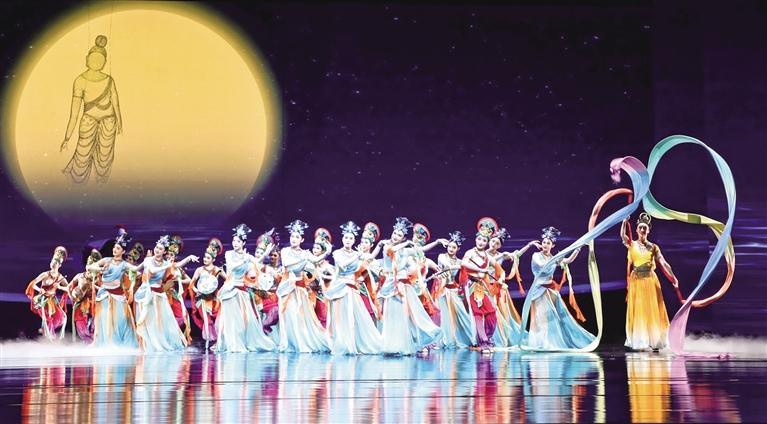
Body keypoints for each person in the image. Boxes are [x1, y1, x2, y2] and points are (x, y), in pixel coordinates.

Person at [60, 35, 123, 183]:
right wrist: (67, 137)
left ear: (105, 62)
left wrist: (120, 122)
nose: (96, 62)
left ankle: (101, 185)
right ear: (86, 59)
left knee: (105, 157)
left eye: (100, 60)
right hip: (89, 121)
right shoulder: (80, 81)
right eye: (93, 58)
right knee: (82, 154)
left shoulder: (109, 80)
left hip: (109, 121)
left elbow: (115, 103)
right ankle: (77, 184)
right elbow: (74, 114)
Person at [523, 227, 595, 350]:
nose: (545, 245)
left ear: (552, 245)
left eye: (548, 243)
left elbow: (568, 260)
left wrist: (578, 248)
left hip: (550, 290)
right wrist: (557, 258)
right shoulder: (536, 256)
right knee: (541, 317)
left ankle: (551, 341)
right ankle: (540, 343)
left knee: (554, 317)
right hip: (538, 290)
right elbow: (543, 265)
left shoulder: (554, 257)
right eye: (544, 242)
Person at [378, 217, 442, 355]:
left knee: (404, 315)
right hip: (391, 286)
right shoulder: (387, 247)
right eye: (395, 233)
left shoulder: (405, 251)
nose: (396, 236)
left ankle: (402, 344)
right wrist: (407, 243)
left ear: (402, 238)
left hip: (403, 286)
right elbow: (393, 250)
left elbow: (421, 249)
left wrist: (436, 242)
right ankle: (390, 345)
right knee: (392, 315)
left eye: (399, 235)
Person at [621, 213, 680, 350]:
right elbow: (623, 236)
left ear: (648, 230)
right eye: (640, 227)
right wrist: (624, 222)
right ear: (636, 230)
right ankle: (641, 341)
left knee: (652, 310)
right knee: (640, 311)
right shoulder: (632, 244)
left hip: (650, 280)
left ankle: (655, 341)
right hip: (637, 281)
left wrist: (673, 277)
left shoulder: (653, 247)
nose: (642, 230)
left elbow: (664, 263)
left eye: (645, 228)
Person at [215, 224, 276, 352]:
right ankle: (232, 345)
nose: (235, 243)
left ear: (243, 243)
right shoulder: (229, 254)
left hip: (242, 292)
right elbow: (232, 267)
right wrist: (245, 260)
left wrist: (266, 253)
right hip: (230, 291)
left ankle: (243, 342)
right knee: (231, 320)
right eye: (234, 241)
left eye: (238, 241)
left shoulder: (247, 257)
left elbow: (257, 262)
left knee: (245, 321)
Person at [325, 221, 383, 354]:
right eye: (346, 237)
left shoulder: (358, 254)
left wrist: (379, 246)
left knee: (353, 317)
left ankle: (354, 343)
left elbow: (370, 258)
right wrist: (357, 255)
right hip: (339, 288)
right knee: (340, 317)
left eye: (351, 238)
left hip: (352, 288)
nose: (348, 240)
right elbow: (342, 265)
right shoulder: (337, 253)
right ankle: (342, 344)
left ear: (354, 240)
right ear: (342, 239)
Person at [133, 235, 198, 351]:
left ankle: (160, 341)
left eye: (160, 249)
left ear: (164, 252)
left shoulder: (165, 263)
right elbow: (152, 270)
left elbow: (177, 265)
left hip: (159, 294)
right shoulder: (148, 260)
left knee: (161, 320)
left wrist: (189, 258)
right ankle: (148, 344)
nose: (157, 250)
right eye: (156, 247)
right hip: (146, 294)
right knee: (148, 319)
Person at [277, 220, 331, 352]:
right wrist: (303, 258)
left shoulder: (305, 253)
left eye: (297, 237)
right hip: (287, 288)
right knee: (289, 315)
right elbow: (287, 263)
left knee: (298, 316)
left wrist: (326, 253)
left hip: (299, 289)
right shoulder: (285, 251)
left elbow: (315, 260)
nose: (294, 239)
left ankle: (301, 343)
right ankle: (291, 344)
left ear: (302, 239)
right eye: (292, 236)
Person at [87, 229, 141, 347]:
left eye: (118, 248)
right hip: (104, 295)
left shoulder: (124, 264)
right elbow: (90, 267)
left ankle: (120, 343)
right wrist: (101, 269)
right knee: (105, 320)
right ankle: (105, 343)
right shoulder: (106, 260)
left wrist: (147, 262)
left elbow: (136, 270)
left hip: (118, 296)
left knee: (121, 320)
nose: (114, 250)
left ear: (123, 251)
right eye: (114, 247)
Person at [431, 231, 477, 349]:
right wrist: (462, 266)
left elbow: (468, 273)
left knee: (461, 313)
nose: (451, 249)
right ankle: (440, 340)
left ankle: (470, 338)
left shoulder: (460, 261)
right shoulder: (442, 256)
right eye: (450, 246)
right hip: (440, 289)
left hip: (452, 289)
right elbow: (448, 266)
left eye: (454, 247)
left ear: (458, 249)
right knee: (442, 315)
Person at [189, 238, 226, 351]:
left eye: (208, 258)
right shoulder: (199, 270)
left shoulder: (217, 270)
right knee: (207, 320)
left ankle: (217, 341)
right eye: (204, 257)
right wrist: (196, 290)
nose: (205, 259)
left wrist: (221, 290)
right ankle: (209, 341)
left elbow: (229, 280)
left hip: (214, 299)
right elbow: (192, 284)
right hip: (202, 298)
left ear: (213, 259)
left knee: (217, 319)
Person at [25, 246, 69, 340]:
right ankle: (49, 336)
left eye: (55, 263)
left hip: (52, 301)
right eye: (52, 261)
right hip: (42, 300)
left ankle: (50, 333)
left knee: (63, 317)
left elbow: (69, 288)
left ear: (59, 265)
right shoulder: (45, 274)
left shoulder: (60, 277)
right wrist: (39, 289)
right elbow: (33, 284)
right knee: (47, 317)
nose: (53, 264)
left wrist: (60, 287)